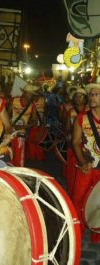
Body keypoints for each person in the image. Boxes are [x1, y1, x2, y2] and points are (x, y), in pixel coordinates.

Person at [71, 83, 100, 244]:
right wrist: (82, 162)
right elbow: (75, 142)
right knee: (78, 200)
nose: (92, 97)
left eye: (96, 94)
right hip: (87, 168)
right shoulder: (81, 118)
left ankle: (97, 232)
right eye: (91, 94)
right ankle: (78, 232)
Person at [10, 84, 41, 166]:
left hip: (21, 133)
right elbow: (6, 113)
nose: (30, 96)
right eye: (29, 93)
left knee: (19, 155)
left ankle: (17, 172)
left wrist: (27, 126)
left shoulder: (32, 105)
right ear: (24, 92)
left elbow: (34, 120)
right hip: (10, 131)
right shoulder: (14, 100)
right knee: (9, 154)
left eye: (32, 94)